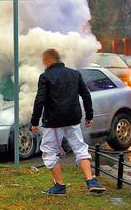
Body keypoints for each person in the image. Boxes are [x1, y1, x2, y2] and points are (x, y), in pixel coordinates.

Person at [30, 49, 105, 195]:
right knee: (80, 148)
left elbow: (40, 101)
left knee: (49, 152)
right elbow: (86, 95)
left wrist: (34, 122)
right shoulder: (74, 74)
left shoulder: (45, 77)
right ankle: (91, 180)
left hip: (53, 121)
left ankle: (59, 186)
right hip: (73, 119)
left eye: (43, 62)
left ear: (48, 61)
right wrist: (89, 115)